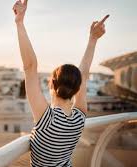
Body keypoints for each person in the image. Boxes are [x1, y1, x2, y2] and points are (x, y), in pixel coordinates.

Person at [13, 0, 109, 166]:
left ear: (51, 85)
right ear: (77, 89)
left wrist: (19, 22)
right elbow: (83, 75)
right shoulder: (79, 118)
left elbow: (30, 67)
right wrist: (93, 39)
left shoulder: (46, 119)